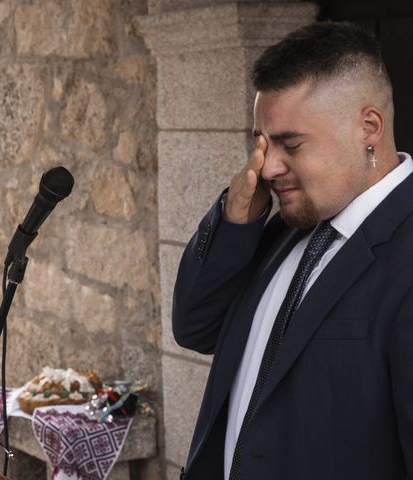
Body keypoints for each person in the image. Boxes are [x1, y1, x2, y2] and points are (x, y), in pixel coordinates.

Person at [173, 22, 413, 479]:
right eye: (261, 143)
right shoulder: (280, 229)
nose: (267, 167)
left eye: (290, 144)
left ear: (369, 127)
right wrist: (235, 220)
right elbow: (193, 327)